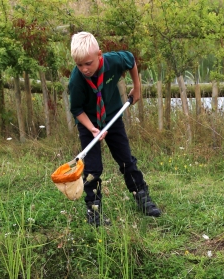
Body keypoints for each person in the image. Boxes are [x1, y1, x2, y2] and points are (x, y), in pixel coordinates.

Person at [69, 31, 161, 226]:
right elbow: (76, 109)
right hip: (89, 124)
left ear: (99, 55)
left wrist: (137, 87)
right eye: (79, 65)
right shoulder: (77, 80)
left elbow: (131, 60)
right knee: (93, 168)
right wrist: (93, 129)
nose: (84, 69)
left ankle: (143, 198)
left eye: (88, 63)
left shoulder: (113, 61)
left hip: (113, 116)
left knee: (126, 160)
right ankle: (94, 212)